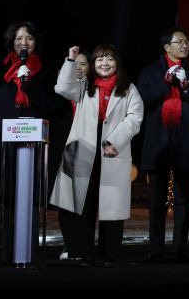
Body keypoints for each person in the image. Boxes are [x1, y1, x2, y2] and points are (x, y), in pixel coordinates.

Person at [49, 44, 143, 267]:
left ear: (117, 63)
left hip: (111, 151)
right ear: (93, 64)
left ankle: (108, 255)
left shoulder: (128, 89)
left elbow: (135, 117)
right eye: (99, 59)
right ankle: (79, 252)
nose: (104, 63)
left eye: (109, 59)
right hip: (82, 149)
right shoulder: (83, 86)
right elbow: (62, 88)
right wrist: (71, 60)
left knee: (111, 206)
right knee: (80, 203)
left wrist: (115, 141)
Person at [138, 27, 189, 262]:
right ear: (166, 46)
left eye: (187, 42)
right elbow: (144, 100)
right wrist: (165, 82)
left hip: (184, 143)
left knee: (183, 200)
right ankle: (156, 248)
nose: (185, 45)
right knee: (157, 200)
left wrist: (187, 86)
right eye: (179, 42)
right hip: (158, 143)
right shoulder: (150, 72)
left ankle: (180, 248)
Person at [0, 22, 55, 258]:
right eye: (19, 39)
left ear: (35, 43)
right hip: (1, 141)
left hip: (31, 143)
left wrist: (28, 86)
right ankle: (1, 249)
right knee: (2, 194)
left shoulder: (44, 72)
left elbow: (51, 105)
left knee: (27, 194)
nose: (23, 43)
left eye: (29, 38)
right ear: (12, 42)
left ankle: (26, 249)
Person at [49, 49, 90, 261]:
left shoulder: (92, 93)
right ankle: (68, 244)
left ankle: (82, 245)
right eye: (76, 64)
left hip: (86, 151)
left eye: (83, 64)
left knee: (83, 203)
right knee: (65, 202)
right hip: (62, 150)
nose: (79, 68)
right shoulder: (59, 95)